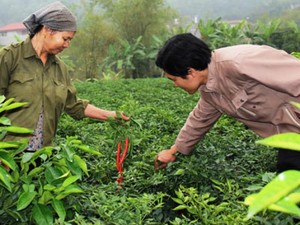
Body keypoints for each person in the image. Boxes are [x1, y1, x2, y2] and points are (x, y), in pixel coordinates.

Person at [154, 33, 300, 173]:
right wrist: (173, 151)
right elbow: (199, 120)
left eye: (174, 80)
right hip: (292, 136)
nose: (175, 85)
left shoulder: (240, 61)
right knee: (288, 177)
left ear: (191, 72)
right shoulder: (209, 90)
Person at [0, 1, 129, 151]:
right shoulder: (9, 57)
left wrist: (111, 115)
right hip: (9, 154)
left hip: (42, 155)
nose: (67, 45)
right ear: (48, 30)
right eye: (65, 38)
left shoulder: (59, 68)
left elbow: (74, 105)